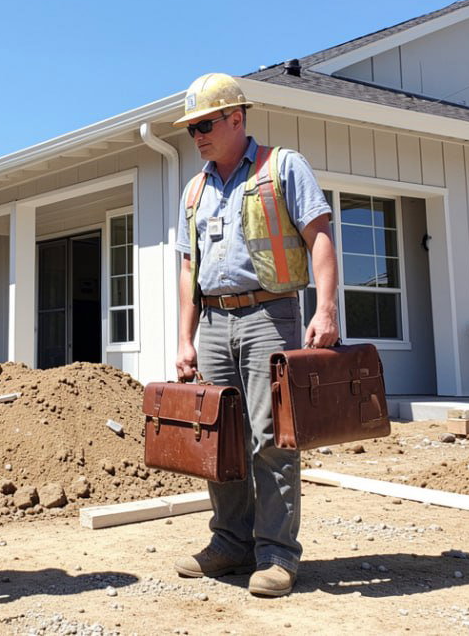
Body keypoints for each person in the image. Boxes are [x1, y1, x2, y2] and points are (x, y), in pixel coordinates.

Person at [171, 72, 339, 598]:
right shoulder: (195, 190)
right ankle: (230, 543)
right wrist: (185, 339)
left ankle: (276, 554)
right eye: (191, 128)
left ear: (236, 118)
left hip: (270, 316)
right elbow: (188, 268)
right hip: (214, 321)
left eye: (205, 124)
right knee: (220, 439)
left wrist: (326, 309)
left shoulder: (282, 167)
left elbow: (319, 236)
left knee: (271, 438)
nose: (197, 135)